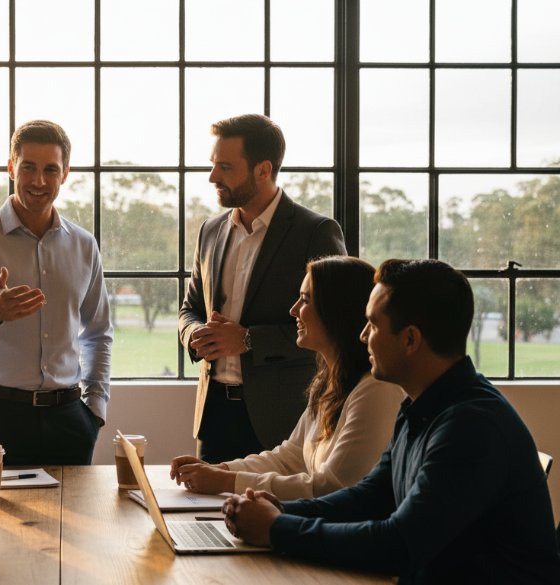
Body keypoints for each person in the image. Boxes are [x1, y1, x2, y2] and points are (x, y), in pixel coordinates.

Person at [223, 259, 560, 584]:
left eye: (373, 325)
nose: (362, 336)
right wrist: (281, 510)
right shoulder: (421, 404)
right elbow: (370, 496)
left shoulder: (471, 427)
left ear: (410, 339)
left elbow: (399, 545)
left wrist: (277, 528)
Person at [0, 119, 112, 465]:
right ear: (10, 168)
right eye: (28, 167)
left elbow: (98, 333)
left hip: (69, 420)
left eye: (51, 170)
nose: (38, 181)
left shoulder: (83, 245)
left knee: (77, 504)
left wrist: (94, 409)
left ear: (65, 174)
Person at [179, 113, 346, 464]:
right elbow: (189, 309)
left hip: (281, 422)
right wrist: (194, 334)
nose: (212, 176)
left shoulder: (315, 232)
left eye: (225, 167)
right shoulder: (210, 231)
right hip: (213, 418)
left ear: (263, 170)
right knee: (203, 501)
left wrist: (248, 340)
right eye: (213, 164)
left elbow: (336, 328)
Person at [170, 256, 402, 500]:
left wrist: (226, 481)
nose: (293, 310)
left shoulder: (376, 391)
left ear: (336, 311)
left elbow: (331, 487)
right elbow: (289, 458)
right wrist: (220, 470)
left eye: (305, 300)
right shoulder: (328, 383)